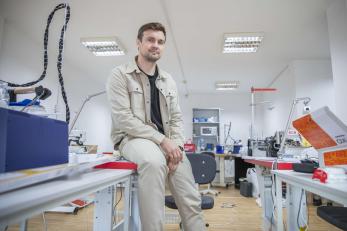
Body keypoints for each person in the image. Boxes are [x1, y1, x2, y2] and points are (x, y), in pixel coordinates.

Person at [106, 22, 205, 231]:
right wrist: (163, 140)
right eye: (150, 40)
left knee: (190, 198)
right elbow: (124, 118)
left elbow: (177, 118)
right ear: (139, 43)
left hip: (167, 142)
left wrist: (175, 147)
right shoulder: (120, 74)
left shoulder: (168, 80)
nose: (155, 45)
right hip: (132, 138)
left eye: (160, 42)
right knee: (153, 162)